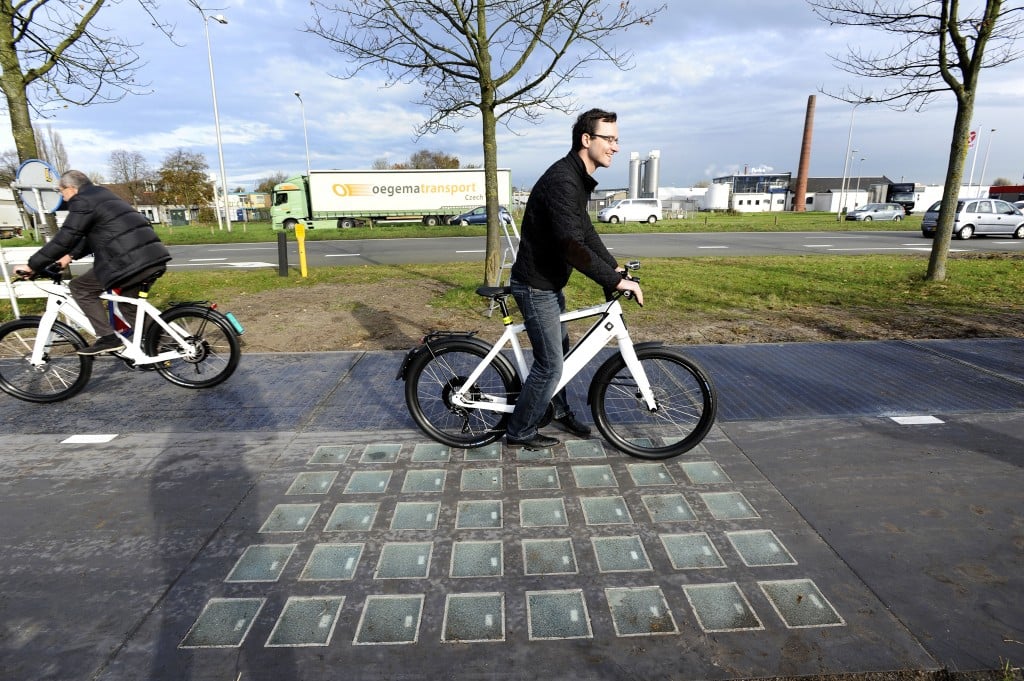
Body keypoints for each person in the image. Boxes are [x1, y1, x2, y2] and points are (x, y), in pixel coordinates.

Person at [505, 108, 643, 449]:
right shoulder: (563, 181)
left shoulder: (575, 178)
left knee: (560, 358)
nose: (615, 147)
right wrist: (614, 282)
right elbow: (570, 245)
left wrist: (614, 268)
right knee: (550, 366)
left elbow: (585, 231)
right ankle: (519, 430)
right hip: (535, 287)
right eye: (609, 139)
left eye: (616, 139)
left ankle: (559, 410)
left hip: (550, 285)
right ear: (587, 139)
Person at [15, 170, 172, 355]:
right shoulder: (103, 195)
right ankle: (170, 344)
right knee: (129, 305)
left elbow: (66, 237)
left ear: (72, 189)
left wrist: (32, 265)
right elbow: (98, 235)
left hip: (128, 261)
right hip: (151, 256)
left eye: (61, 192)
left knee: (80, 288)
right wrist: (68, 257)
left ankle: (108, 338)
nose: (63, 198)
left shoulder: (82, 201)